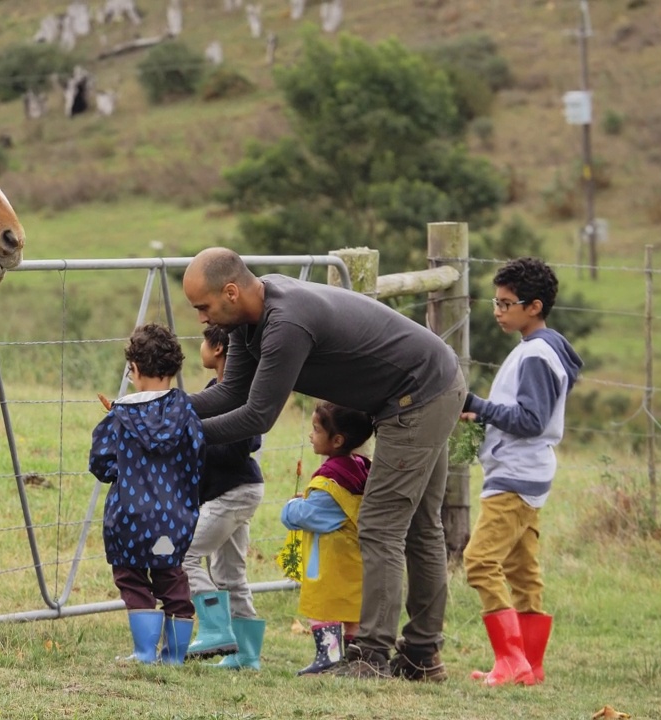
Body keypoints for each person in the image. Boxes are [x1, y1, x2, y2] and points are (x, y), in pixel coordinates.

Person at [181, 247, 466, 681]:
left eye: (203, 307)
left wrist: (182, 434)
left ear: (232, 292)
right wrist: (162, 409)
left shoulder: (285, 324)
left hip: (419, 394)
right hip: (426, 383)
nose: (202, 318)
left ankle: (372, 656)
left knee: (383, 526)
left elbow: (258, 415)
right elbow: (231, 393)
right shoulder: (248, 319)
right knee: (421, 526)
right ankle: (422, 657)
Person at [460, 257, 582, 686]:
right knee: (522, 571)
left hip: (515, 474)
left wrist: (478, 406)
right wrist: (485, 417)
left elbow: (531, 420)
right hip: (528, 474)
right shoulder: (541, 349)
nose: (498, 310)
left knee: (478, 561)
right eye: (496, 301)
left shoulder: (535, 354)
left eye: (507, 303)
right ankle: (530, 666)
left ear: (534, 307)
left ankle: (510, 660)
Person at [89, 323, 204, 665]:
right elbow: (198, 457)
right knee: (172, 576)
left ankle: (144, 652)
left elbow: (100, 463)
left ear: (134, 369)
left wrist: (123, 470)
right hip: (174, 516)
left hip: (131, 516)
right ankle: (175, 656)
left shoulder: (121, 416)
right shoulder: (186, 411)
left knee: (132, 576)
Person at [182, 324, 267, 670]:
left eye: (204, 340)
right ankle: (247, 656)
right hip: (239, 491)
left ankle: (216, 629)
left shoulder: (240, 394)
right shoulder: (216, 390)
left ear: (218, 348)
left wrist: (193, 444)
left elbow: (236, 448)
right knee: (231, 575)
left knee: (183, 557)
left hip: (232, 492)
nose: (201, 347)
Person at [280, 401, 374, 675]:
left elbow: (308, 515)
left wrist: (291, 507)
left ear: (337, 440)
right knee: (352, 613)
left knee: (324, 608)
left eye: (316, 429)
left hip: (330, 562)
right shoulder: (360, 469)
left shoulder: (331, 479)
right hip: (355, 558)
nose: (311, 435)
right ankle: (356, 659)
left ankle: (329, 656)